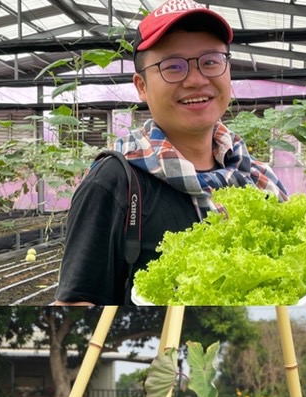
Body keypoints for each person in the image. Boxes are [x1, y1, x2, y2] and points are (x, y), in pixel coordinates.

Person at [54, 0, 287, 306]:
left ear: (228, 71)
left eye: (211, 61)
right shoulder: (114, 183)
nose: (195, 80)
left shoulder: (254, 175)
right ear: (141, 86)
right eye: (173, 66)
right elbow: (76, 304)